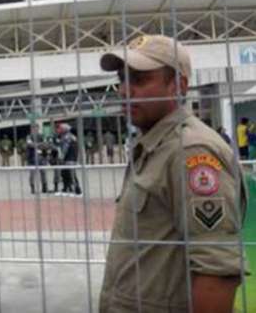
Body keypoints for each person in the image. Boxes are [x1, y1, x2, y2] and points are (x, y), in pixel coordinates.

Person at [98, 35, 248, 312]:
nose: (124, 90)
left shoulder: (190, 152)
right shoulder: (157, 146)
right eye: (122, 79)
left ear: (178, 86)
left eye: (140, 80)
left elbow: (216, 273)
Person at [56, 123, 82, 196]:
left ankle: (78, 191)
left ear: (65, 129)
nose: (59, 130)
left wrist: (61, 157)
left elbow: (65, 148)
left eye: (60, 128)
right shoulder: (69, 136)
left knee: (72, 175)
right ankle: (65, 189)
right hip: (71, 158)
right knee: (65, 174)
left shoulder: (67, 137)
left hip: (69, 158)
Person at [26, 124, 48, 194]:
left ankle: (44, 187)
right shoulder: (29, 136)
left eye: (36, 128)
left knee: (43, 173)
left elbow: (45, 144)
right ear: (31, 129)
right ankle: (32, 188)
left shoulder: (42, 136)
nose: (35, 130)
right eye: (34, 128)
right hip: (32, 158)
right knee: (32, 174)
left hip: (41, 157)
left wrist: (36, 144)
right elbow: (29, 144)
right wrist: (39, 144)